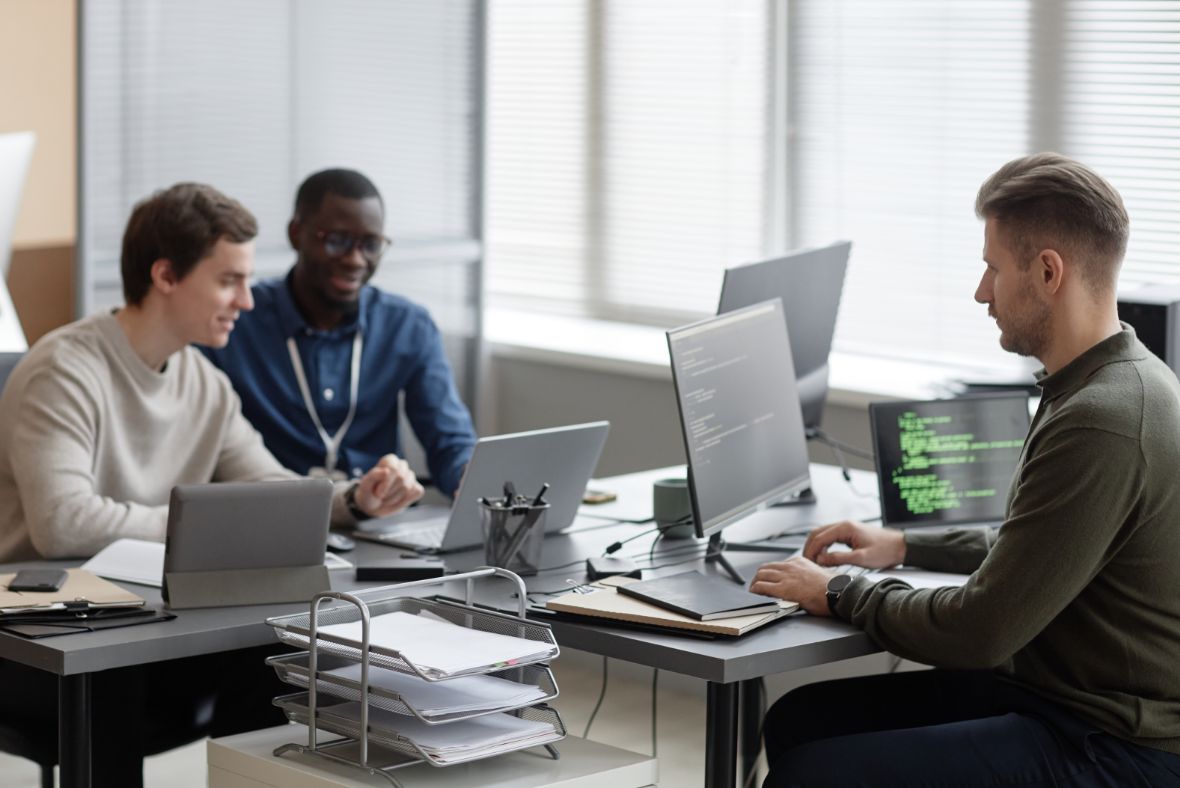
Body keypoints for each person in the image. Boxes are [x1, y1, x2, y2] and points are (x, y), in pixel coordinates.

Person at [750, 153, 1180, 786]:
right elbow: (1036, 548)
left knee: (814, 772)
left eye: (992, 267)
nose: (982, 292)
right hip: (1064, 700)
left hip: (1114, 744)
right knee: (800, 720)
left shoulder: (1103, 418)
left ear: (1048, 271)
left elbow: (981, 631)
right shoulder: (1115, 379)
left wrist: (837, 591)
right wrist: (901, 545)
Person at [0, 182, 423, 785]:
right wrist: (204, 527)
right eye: (229, 281)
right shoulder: (64, 371)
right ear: (166, 275)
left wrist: (353, 499)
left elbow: (269, 491)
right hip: (42, 644)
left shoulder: (204, 382)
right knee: (131, 674)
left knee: (283, 653)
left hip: (154, 625)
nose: (247, 302)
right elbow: (63, 522)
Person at [203, 168, 477, 497]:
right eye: (336, 241)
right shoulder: (234, 322)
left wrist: (474, 485)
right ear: (296, 233)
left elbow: (450, 441)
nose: (354, 260)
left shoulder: (407, 326)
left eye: (371, 244)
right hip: (276, 522)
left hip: (381, 522)